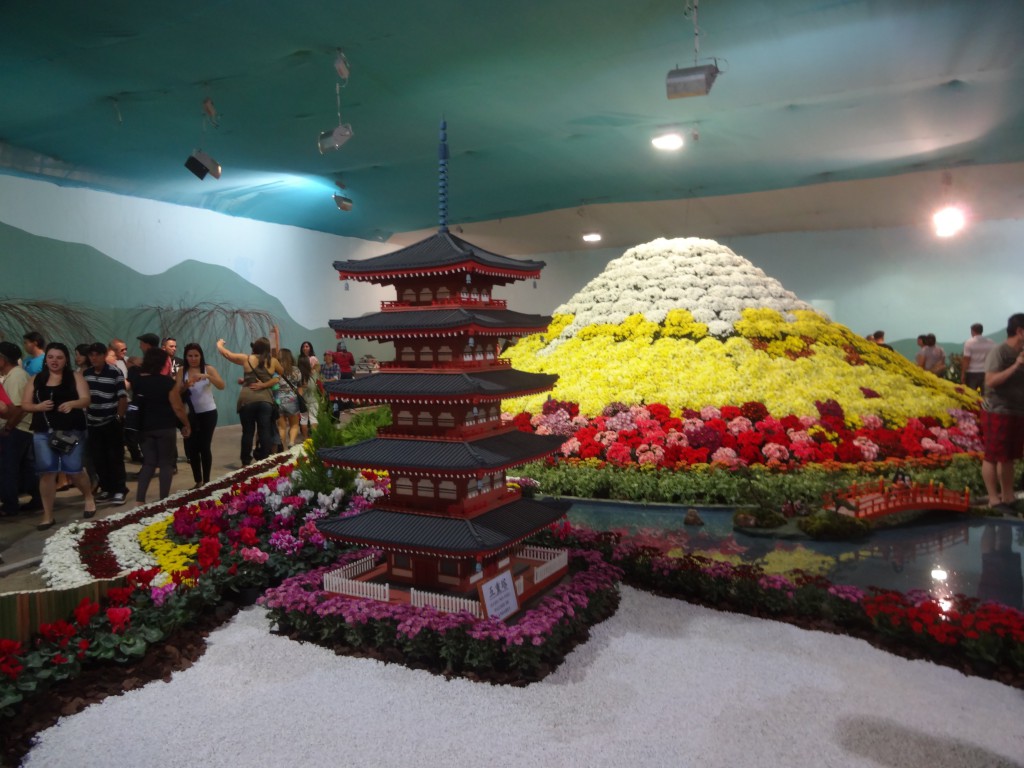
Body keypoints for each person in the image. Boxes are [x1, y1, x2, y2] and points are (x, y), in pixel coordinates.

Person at [19, 342, 96, 529]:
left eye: (59, 357)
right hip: (44, 432)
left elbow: (86, 399)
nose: (54, 361)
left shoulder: (74, 377)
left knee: (74, 469)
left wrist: (73, 404)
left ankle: (88, 497)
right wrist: (37, 407)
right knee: (47, 472)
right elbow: (25, 404)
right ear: (46, 359)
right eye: (51, 357)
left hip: (70, 431)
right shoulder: (37, 379)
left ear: (65, 360)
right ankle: (48, 515)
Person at [133, 347, 191, 503]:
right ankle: (163, 500)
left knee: (149, 463)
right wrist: (186, 424)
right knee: (165, 464)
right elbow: (178, 407)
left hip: (144, 428)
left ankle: (140, 500)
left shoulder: (138, 381)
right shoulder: (167, 383)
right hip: (165, 427)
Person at [980, 313, 1024, 512]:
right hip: (998, 411)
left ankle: (1008, 497)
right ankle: (993, 500)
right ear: (1020, 331)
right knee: (993, 455)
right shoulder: (999, 352)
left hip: (1017, 411)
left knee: (1009, 457)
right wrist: (1016, 365)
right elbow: (990, 381)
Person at [217, 336, 283, 466]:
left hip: (247, 400)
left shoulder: (247, 358)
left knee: (247, 432)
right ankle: (265, 460)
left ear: (255, 348)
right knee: (265, 431)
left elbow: (227, 354)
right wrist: (265, 385)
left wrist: (219, 344)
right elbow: (280, 375)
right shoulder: (273, 361)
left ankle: (245, 462)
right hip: (266, 400)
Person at [83, 342, 129, 506]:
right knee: (98, 458)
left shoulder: (114, 372)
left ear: (103, 356)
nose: (94, 358)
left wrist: (119, 417)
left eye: (97, 354)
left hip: (110, 421)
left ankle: (119, 489)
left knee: (114, 457)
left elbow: (122, 397)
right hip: (93, 422)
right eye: (91, 355)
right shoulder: (86, 374)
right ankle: (107, 488)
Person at [0, 341, 42, 515]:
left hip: (18, 429)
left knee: (8, 468)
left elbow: (19, 407)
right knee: (26, 468)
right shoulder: (13, 375)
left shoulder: (16, 376)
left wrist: (9, 427)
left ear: (3, 360)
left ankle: (10, 505)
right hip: (20, 429)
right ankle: (37, 498)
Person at [177, 342, 225, 487]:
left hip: (208, 412)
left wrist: (207, 376)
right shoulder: (181, 371)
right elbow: (176, 392)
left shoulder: (208, 368)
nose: (193, 358)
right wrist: (186, 385)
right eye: (190, 356)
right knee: (192, 448)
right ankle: (198, 481)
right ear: (186, 357)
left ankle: (207, 481)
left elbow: (221, 385)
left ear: (201, 356)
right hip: (190, 414)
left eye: (196, 355)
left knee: (204, 446)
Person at [275, 348, 302, 450]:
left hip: (278, 399)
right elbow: (299, 384)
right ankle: (291, 442)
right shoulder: (295, 370)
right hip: (292, 400)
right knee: (294, 424)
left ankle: (282, 446)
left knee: (282, 427)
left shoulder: (276, 370)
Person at [962, 323, 996, 393]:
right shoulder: (991, 342)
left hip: (972, 372)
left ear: (972, 331)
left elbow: (966, 359)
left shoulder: (969, 342)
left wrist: (963, 373)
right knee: (986, 394)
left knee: (971, 395)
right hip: (986, 371)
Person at [297, 355, 318, 440]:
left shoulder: (299, 376)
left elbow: (299, 391)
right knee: (314, 418)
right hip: (313, 399)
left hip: (303, 402)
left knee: (303, 419)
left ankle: (305, 438)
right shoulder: (313, 373)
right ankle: (314, 438)